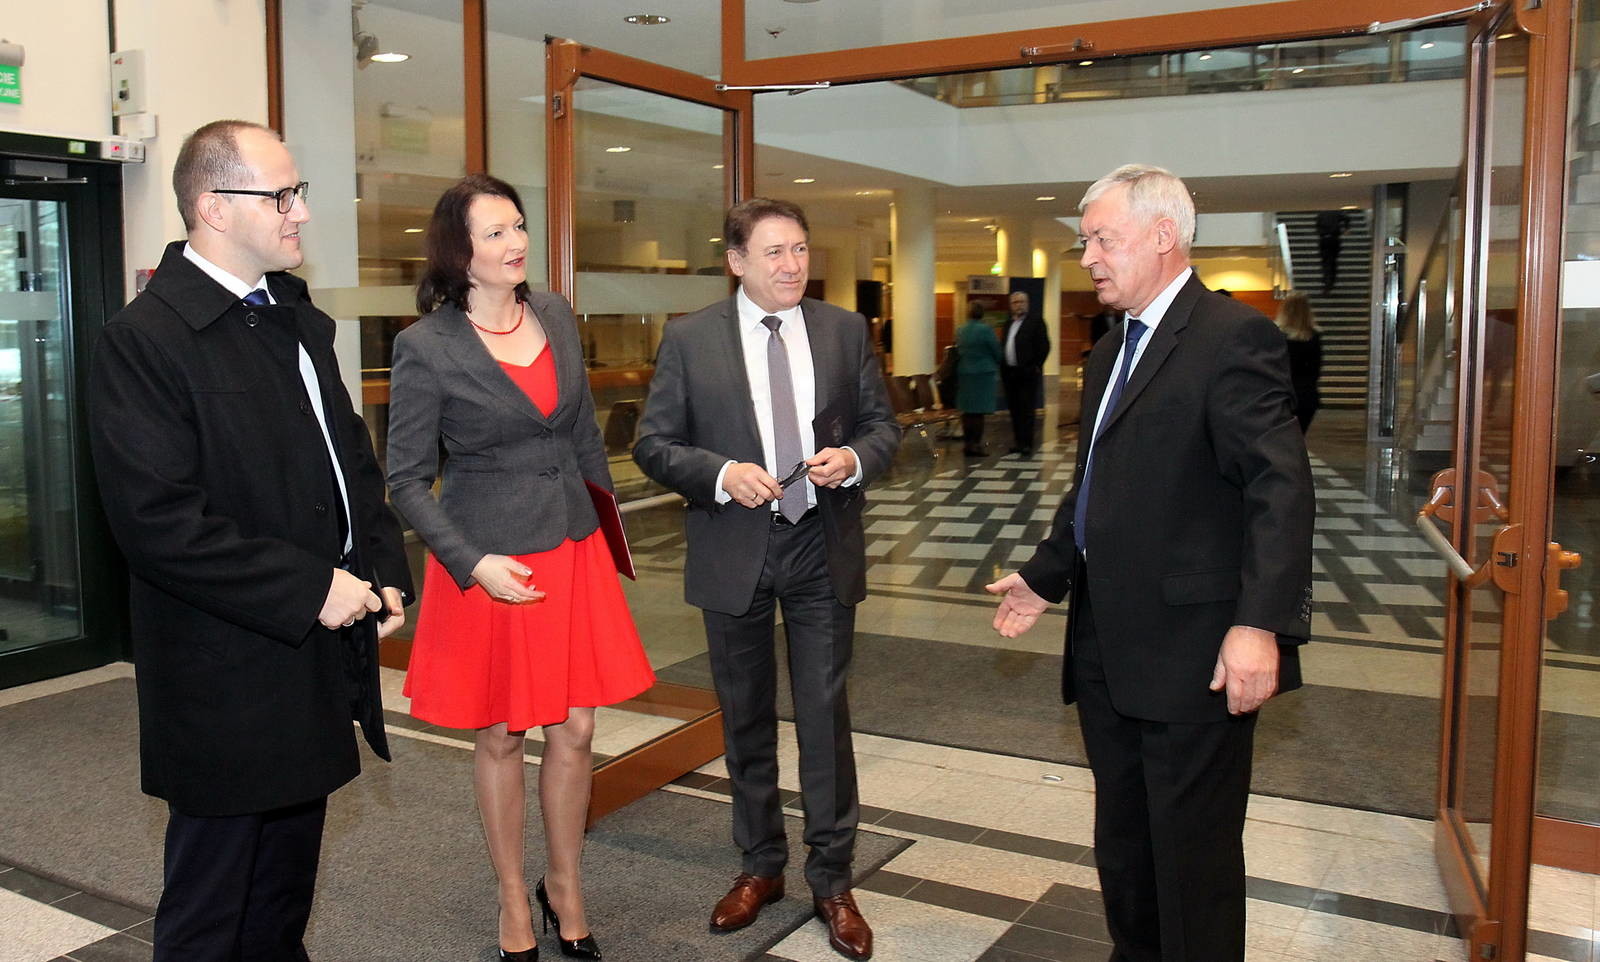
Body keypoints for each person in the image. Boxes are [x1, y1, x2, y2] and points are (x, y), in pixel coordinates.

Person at [86, 119, 413, 961]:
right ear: (214, 208)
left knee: (281, 896)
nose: (301, 211)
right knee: (212, 908)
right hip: (224, 672)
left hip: (312, 654)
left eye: (298, 192)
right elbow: (159, 524)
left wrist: (381, 564)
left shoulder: (295, 317)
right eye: (282, 195)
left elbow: (350, 460)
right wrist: (312, 586)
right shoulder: (144, 340)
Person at [986, 164, 1314, 962]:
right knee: (1125, 846)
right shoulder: (1109, 352)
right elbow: (1097, 487)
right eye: (1086, 241)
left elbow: (1280, 489)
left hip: (1195, 654)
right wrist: (1046, 575)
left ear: (1163, 234)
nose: (1088, 257)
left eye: (1103, 238)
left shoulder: (1233, 337)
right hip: (1107, 649)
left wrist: (1259, 625)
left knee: (1192, 860)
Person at [386, 174, 655, 962]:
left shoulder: (557, 314)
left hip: (571, 548)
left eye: (519, 226)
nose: (516, 243)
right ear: (457, 251)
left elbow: (581, 435)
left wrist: (609, 533)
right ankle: (512, 894)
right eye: (495, 232)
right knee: (503, 734)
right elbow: (406, 480)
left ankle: (564, 884)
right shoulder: (425, 346)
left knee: (577, 727)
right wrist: (472, 563)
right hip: (493, 565)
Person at [633, 198, 900, 961]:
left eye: (800, 250)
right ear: (737, 261)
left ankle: (833, 880)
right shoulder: (691, 338)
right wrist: (720, 474)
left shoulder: (844, 330)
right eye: (775, 252)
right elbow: (654, 443)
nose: (792, 265)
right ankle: (760, 866)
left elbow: (884, 428)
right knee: (745, 715)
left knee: (823, 715)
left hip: (821, 543)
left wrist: (854, 460)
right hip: (735, 546)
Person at [999, 289, 1051, 457]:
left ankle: (1027, 443)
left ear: (1027, 304)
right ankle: (1018, 442)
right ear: (1011, 306)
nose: (1019, 305)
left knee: (1027, 409)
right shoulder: (1008, 323)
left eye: (1022, 302)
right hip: (1010, 373)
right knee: (1014, 409)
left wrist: (1036, 365)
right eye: (1015, 302)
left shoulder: (1035, 322)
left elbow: (1044, 346)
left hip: (1027, 372)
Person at [956, 299, 1002, 456]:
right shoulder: (986, 330)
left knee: (967, 411)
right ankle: (976, 444)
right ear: (982, 313)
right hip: (983, 374)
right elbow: (996, 351)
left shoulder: (960, 330)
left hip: (964, 373)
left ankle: (967, 444)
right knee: (978, 411)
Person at [1274, 290, 1323, 432]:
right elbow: (1315, 369)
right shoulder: (1313, 336)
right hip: (1306, 395)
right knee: (1299, 434)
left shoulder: (1276, 335)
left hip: (1281, 394)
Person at [1315, 209, 1352, 295]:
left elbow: (1317, 225)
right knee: (1332, 262)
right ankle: (1330, 281)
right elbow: (1346, 217)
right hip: (1334, 239)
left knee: (1326, 262)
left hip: (1324, 239)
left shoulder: (1321, 213)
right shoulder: (1337, 212)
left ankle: (1327, 281)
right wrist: (1346, 228)